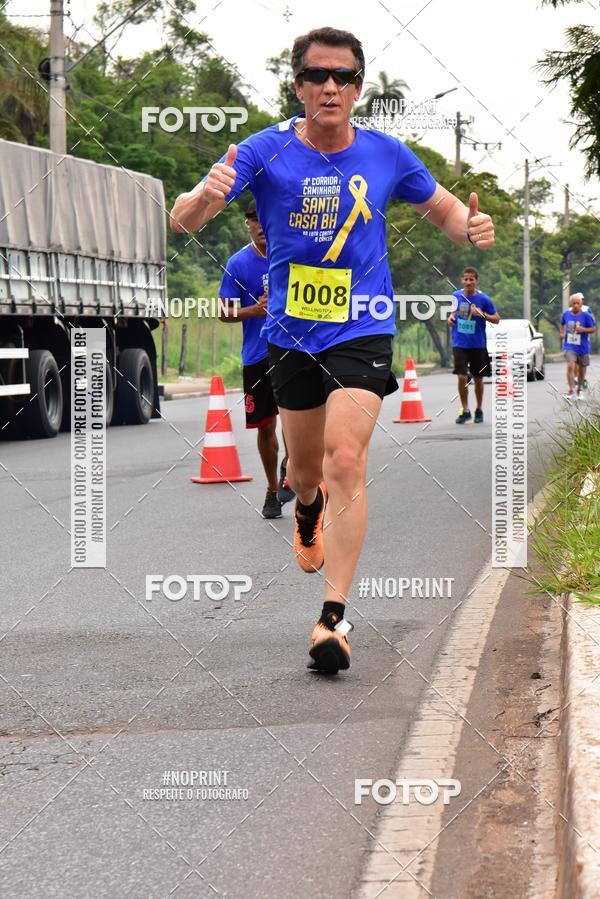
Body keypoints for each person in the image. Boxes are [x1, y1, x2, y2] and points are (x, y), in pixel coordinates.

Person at [170, 26, 495, 674]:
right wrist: (204, 197)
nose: (329, 87)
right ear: (298, 85)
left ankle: (333, 618)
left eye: (343, 77)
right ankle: (307, 509)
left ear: (358, 87)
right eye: (317, 75)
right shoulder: (263, 152)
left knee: (349, 457)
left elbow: (444, 211)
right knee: (308, 471)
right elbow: (181, 220)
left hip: (364, 325)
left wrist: (471, 224)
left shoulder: (385, 155)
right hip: (291, 332)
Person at [218, 200, 294, 518]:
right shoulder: (238, 264)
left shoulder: (293, 255)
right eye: (253, 219)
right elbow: (223, 312)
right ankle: (272, 490)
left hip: (295, 349)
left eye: (265, 217)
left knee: (296, 420)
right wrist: (254, 310)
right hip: (257, 356)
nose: (260, 225)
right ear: (248, 225)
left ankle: (292, 470)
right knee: (267, 427)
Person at [448, 267, 500, 424]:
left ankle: (479, 409)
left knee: (478, 379)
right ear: (462, 280)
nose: (468, 282)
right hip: (459, 343)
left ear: (477, 281)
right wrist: (450, 318)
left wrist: (482, 314)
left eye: (472, 279)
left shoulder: (484, 299)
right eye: (466, 279)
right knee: (462, 376)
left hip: (478, 344)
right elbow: (452, 313)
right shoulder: (456, 296)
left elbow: (497, 319)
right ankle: (465, 410)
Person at [560, 293, 596, 398]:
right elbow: (562, 323)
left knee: (582, 369)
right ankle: (571, 390)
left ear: (581, 304)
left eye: (578, 303)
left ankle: (579, 388)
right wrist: (561, 333)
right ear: (571, 304)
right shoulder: (566, 314)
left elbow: (593, 329)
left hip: (583, 346)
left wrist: (583, 329)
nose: (576, 305)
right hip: (570, 345)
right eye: (574, 303)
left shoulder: (586, 315)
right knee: (571, 365)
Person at [569, 293, 595, 391]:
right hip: (572, 340)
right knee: (573, 361)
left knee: (582, 364)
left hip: (584, 340)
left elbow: (593, 324)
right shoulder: (569, 311)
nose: (580, 301)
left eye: (581, 299)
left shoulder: (587, 310)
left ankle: (581, 379)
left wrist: (584, 329)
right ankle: (575, 379)